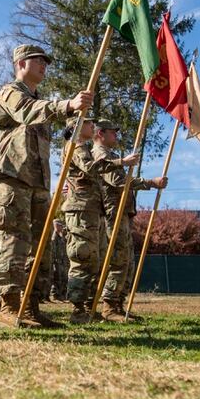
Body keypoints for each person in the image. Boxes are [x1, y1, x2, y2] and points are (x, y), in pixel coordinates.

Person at [0, 44, 92, 328]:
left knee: (39, 246)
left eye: (46, 62)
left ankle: (30, 305)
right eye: (38, 61)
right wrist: (66, 105)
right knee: (13, 242)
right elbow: (26, 111)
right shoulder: (10, 92)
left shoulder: (40, 100)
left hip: (38, 183)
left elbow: (59, 126)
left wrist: (76, 113)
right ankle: (8, 307)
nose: (44, 66)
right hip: (14, 179)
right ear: (21, 63)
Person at [60, 119, 136, 323]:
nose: (91, 126)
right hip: (80, 210)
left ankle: (86, 308)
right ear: (75, 126)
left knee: (93, 260)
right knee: (82, 257)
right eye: (87, 123)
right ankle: (78, 310)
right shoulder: (76, 147)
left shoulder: (82, 147)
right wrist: (121, 162)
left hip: (91, 210)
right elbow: (91, 169)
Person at [94, 121, 166, 322]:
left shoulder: (112, 156)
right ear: (101, 133)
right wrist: (150, 183)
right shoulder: (101, 154)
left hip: (122, 213)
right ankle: (109, 306)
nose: (116, 136)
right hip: (113, 214)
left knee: (126, 261)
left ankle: (118, 304)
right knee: (118, 261)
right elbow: (116, 182)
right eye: (113, 132)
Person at [50, 220, 70, 302]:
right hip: (57, 260)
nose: (62, 227)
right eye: (60, 226)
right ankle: (56, 295)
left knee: (63, 278)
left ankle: (62, 295)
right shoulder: (54, 236)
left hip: (62, 261)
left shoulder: (61, 236)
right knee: (57, 278)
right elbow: (53, 250)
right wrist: (54, 260)